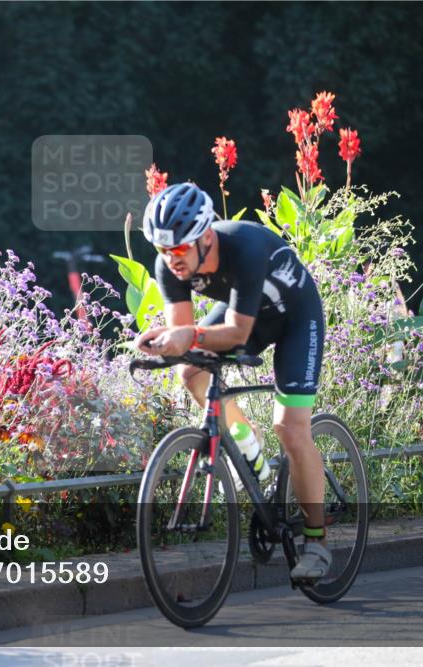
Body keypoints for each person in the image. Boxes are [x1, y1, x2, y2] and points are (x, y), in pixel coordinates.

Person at [134, 182, 330, 580]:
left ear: (206, 237)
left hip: (295, 317)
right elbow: (184, 338)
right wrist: (161, 343)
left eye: (178, 249)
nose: (170, 260)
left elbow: (237, 334)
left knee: (291, 429)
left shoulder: (244, 249)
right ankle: (248, 448)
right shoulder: (169, 267)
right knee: (191, 371)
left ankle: (317, 542)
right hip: (250, 311)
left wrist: (185, 337)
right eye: (161, 250)